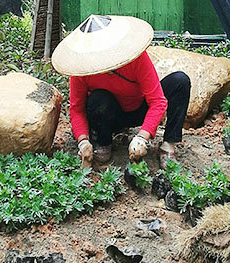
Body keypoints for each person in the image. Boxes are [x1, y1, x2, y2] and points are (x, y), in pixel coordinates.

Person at [52, 14, 191, 169]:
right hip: (108, 117)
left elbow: (157, 101)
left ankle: (168, 145)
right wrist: (83, 141)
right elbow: (77, 109)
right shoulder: (81, 69)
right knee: (98, 98)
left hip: (138, 109)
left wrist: (142, 137)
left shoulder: (136, 58)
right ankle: (103, 143)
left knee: (180, 81)